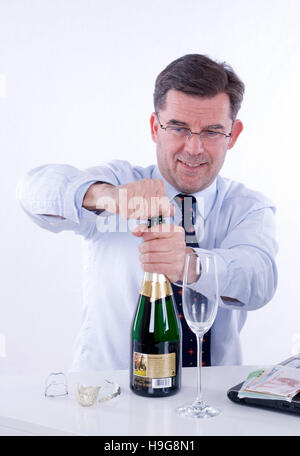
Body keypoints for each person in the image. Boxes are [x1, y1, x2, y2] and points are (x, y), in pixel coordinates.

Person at [17, 54, 278, 371]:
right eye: (178, 128)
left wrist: (188, 264)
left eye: (211, 131)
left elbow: (258, 280)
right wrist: (107, 196)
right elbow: (32, 192)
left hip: (206, 400)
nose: (193, 148)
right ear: (155, 127)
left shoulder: (248, 207)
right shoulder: (120, 182)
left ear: (233, 135)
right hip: (109, 395)